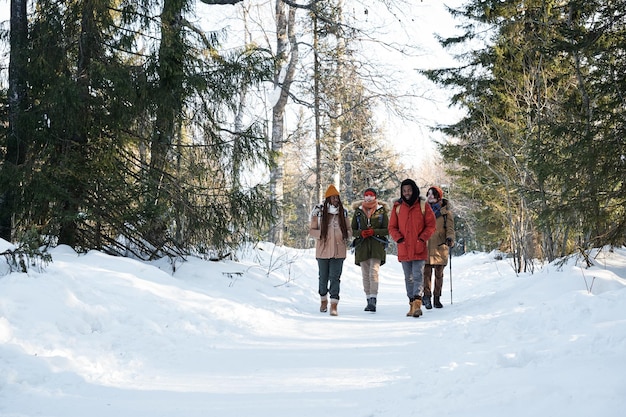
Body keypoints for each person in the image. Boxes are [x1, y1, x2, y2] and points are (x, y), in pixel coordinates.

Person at [388, 179, 436, 318]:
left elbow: (431, 225)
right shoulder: (397, 207)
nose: (407, 193)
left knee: (418, 275)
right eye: (404, 191)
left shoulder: (423, 205)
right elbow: (392, 227)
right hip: (404, 247)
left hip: (419, 247)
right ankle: (411, 304)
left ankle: (417, 304)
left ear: (414, 190)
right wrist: (399, 239)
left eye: (409, 190)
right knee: (408, 278)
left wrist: (422, 238)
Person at [309, 184, 351, 316]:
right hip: (323, 250)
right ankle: (323, 300)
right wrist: (321, 234)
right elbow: (311, 231)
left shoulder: (343, 212)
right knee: (323, 278)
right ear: (327, 199)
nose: (335, 200)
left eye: (337, 198)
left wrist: (346, 235)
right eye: (332, 198)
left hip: (339, 251)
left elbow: (349, 230)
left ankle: (334, 304)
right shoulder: (318, 212)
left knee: (335, 278)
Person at [351, 187, 389, 313]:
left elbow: (387, 229)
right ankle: (368, 299)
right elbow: (352, 231)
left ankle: (373, 299)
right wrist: (361, 233)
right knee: (365, 274)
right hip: (362, 246)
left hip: (377, 246)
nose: (368, 197)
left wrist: (374, 232)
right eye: (366, 195)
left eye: (371, 195)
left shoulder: (382, 211)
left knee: (374, 272)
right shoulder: (358, 212)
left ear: (375, 197)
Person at [423, 186, 455, 309]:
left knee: (439, 274)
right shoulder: (423, 211)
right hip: (425, 246)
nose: (430, 196)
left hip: (440, 247)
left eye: (433, 194)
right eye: (429, 194)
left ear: (438, 197)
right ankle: (427, 297)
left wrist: (450, 238)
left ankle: (437, 297)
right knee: (426, 274)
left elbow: (450, 229)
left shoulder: (446, 213)